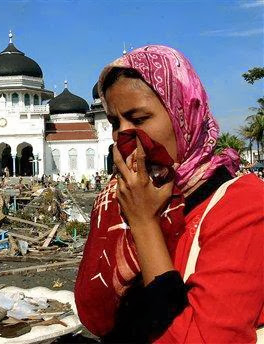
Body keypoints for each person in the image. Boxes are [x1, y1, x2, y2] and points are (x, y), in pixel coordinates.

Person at [75, 45, 264, 343]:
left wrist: (144, 224)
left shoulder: (242, 203)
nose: (122, 135)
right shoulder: (128, 197)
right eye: (115, 122)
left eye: (138, 119)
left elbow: (202, 338)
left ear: (183, 114)